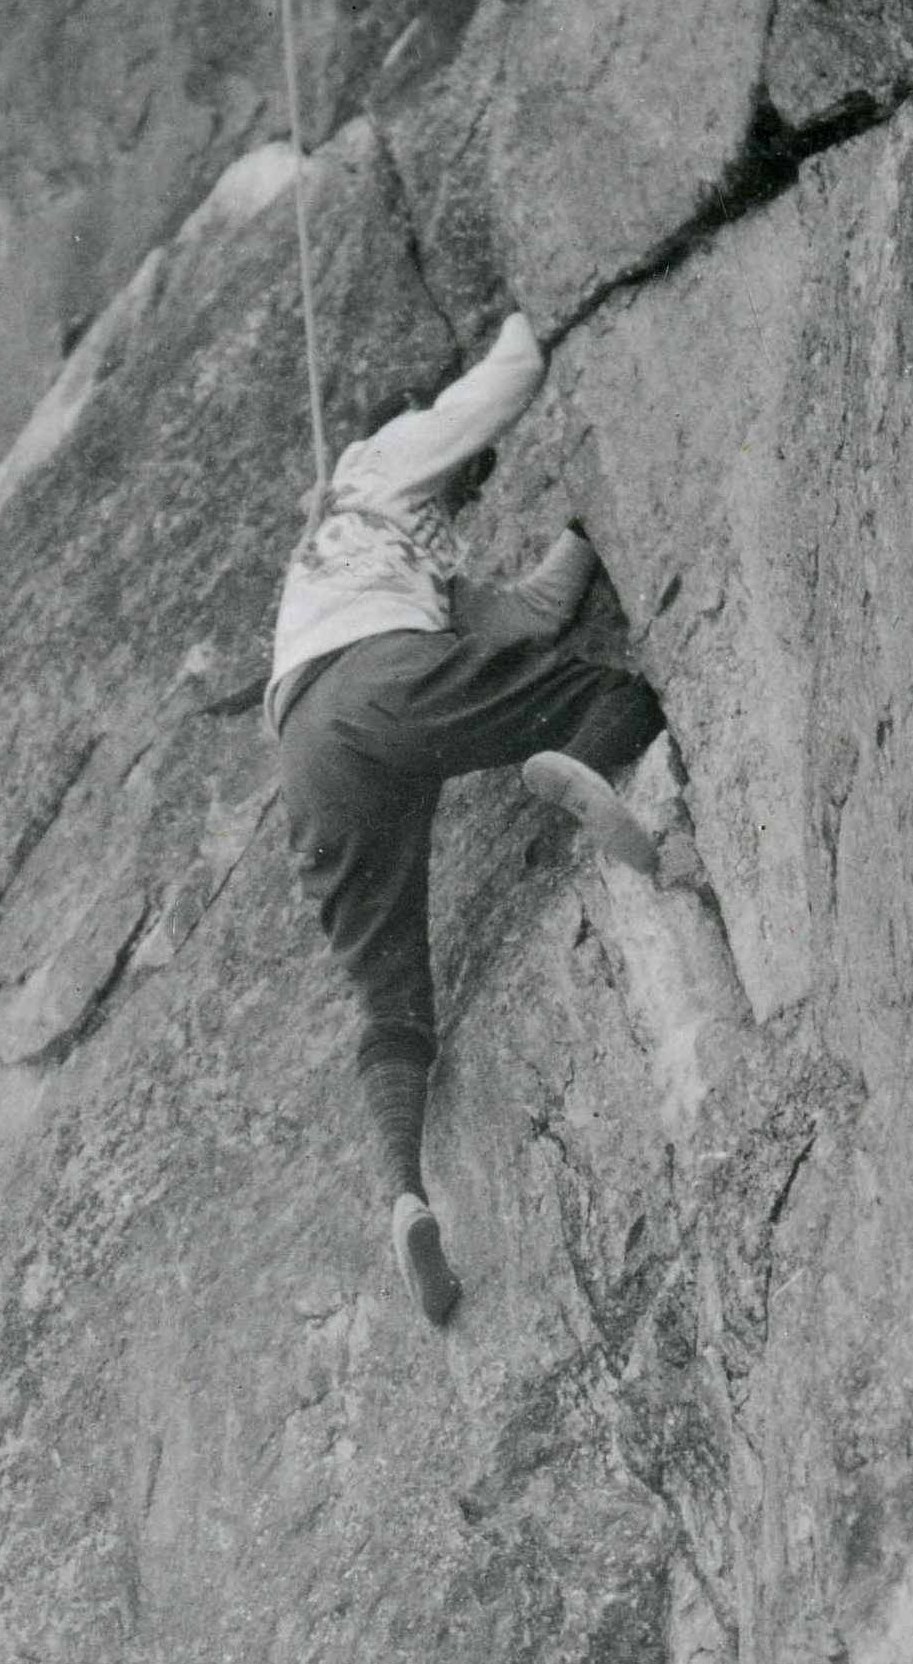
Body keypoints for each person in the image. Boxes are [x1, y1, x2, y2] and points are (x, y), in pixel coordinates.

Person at [268, 309, 666, 1330]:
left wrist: (579, 539)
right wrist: (549, 303)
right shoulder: (379, 457)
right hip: (380, 682)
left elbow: (524, 614)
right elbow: (496, 382)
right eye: (468, 469)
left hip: (310, 761)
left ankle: (403, 1190)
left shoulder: (373, 555)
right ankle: (572, 762)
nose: (472, 478)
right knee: (613, 698)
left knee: (392, 1003)